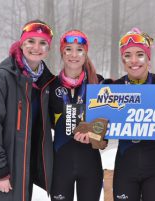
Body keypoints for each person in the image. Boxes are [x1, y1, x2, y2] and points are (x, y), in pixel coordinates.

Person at [0, 20, 55, 201]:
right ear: (22, 43)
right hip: (0, 175)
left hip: (23, 172)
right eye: (31, 41)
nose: (36, 47)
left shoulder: (45, 83)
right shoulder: (2, 79)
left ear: (48, 48)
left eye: (43, 42)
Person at [112, 28, 155, 201]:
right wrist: (91, 132)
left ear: (148, 58)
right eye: (128, 55)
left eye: (140, 54)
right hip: (125, 169)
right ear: (122, 59)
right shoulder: (112, 89)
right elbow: (99, 137)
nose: (134, 60)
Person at [49, 29, 105, 201]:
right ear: (61, 52)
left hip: (90, 165)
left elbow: (106, 132)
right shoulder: (50, 86)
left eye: (79, 49)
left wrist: (95, 137)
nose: (74, 54)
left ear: (86, 53)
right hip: (60, 165)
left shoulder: (99, 83)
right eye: (68, 49)